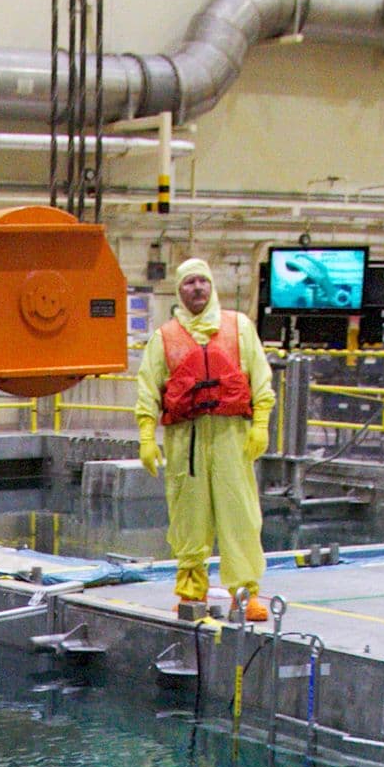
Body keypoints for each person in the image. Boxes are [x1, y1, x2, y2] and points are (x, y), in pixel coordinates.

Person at [135, 255, 275, 621]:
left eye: (202, 281)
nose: (196, 288)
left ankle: (245, 594)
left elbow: (260, 379)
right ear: (178, 291)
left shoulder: (239, 328)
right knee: (188, 515)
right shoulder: (163, 338)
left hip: (232, 437)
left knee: (239, 514)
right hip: (187, 441)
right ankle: (190, 588)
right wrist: (147, 435)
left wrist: (261, 423)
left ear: (211, 286)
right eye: (188, 282)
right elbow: (149, 387)